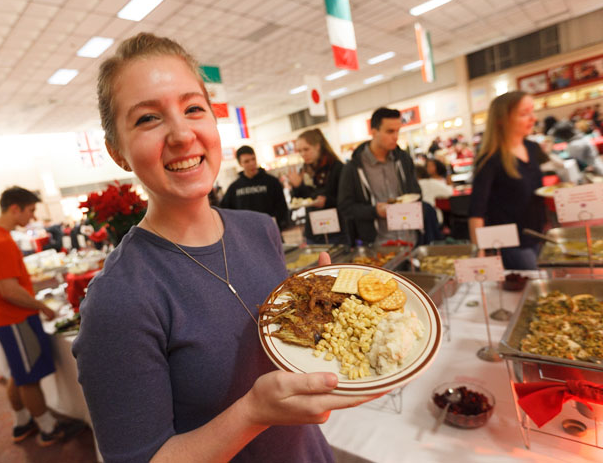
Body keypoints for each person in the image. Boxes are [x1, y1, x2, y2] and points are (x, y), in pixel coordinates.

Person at [72, 32, 379, 463]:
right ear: (117, 152)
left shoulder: (259, 229)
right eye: (147, 119)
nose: (181, 134)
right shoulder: (120, 299)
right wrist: (252, 414)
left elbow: (284, 353)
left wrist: (319, 313)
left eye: (193, 108)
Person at [0, 186, 85, 445]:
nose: (32, 217)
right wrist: (41, 306)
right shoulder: (1, 241)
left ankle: (22, 423)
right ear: (15, 208)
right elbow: (8, 289)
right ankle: (48, 428)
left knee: (19, 374)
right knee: (29, 379)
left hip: (2, 317)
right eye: (31, 210)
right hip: (15, 318)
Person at [338, 107, 440, 245]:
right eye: (390, 131)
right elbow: (345, 208)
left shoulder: (404, 159)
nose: (395, 136)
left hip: (410, 239)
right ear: (374, 132)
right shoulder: (354, 167)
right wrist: (374, 211)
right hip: (377, 244)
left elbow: (416, 192)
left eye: (398, 131)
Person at [468, 91, 546, 270]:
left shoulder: (532, 148)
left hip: (538, 235)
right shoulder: (490, 159)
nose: (532, 118)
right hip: (511, 244)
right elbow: (476, 210)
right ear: (502, 119)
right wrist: (479, 252)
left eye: (532, 112)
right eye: (524, 113)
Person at [287, 128, 345, 244]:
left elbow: (345, 199)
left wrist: (327, 201)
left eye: (306, 149)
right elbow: (298, 200)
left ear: (317, 146)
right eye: (300, 151)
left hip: (336, 230)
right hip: (313, 231)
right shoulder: (303, 170)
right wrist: (297, 186)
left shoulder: (336, 167)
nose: (303, 154)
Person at [219, 145, 290, 230]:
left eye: (253, 159)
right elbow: (226, 210)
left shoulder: (272, 182)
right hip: (246, 231)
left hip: (270, 228)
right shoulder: (234, 188)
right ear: (240, 164)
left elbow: (282, 206)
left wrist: (275, 222)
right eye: (247, 161)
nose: (252, 163)